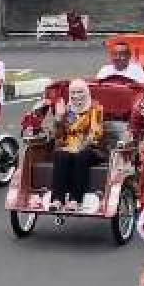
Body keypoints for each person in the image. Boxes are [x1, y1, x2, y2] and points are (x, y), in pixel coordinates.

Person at [48, 79, 105, 212]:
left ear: (87, 93)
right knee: (60, 154)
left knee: (81, 155)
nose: (76, 96)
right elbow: (58, 136)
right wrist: (59, 117)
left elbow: (95, 133)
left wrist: (79, 147)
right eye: (73, 93)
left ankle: (75, 200)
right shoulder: (67, 110)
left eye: (80, 92)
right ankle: (57, 199)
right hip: (68, 147)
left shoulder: (96, 108)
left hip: (91, 149)